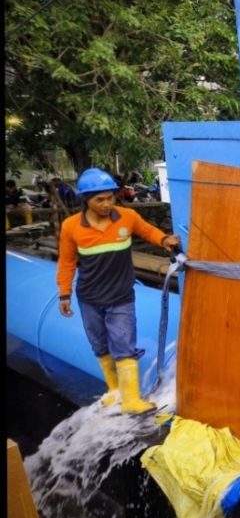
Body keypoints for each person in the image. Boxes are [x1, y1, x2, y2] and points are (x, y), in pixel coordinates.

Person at [56, 167, 180, 414]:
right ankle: (114, 389)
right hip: (89, 297)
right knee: (100, 344)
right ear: (86, 200)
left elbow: (148, 231)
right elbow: (67, 262)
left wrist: (164, 239)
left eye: (110, 197)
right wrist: (64, 293)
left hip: (121, 296)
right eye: (99, 199)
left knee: (123, 342)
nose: (106, 204)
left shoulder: (127, 217)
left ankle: (132, 399)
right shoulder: (71, 226)